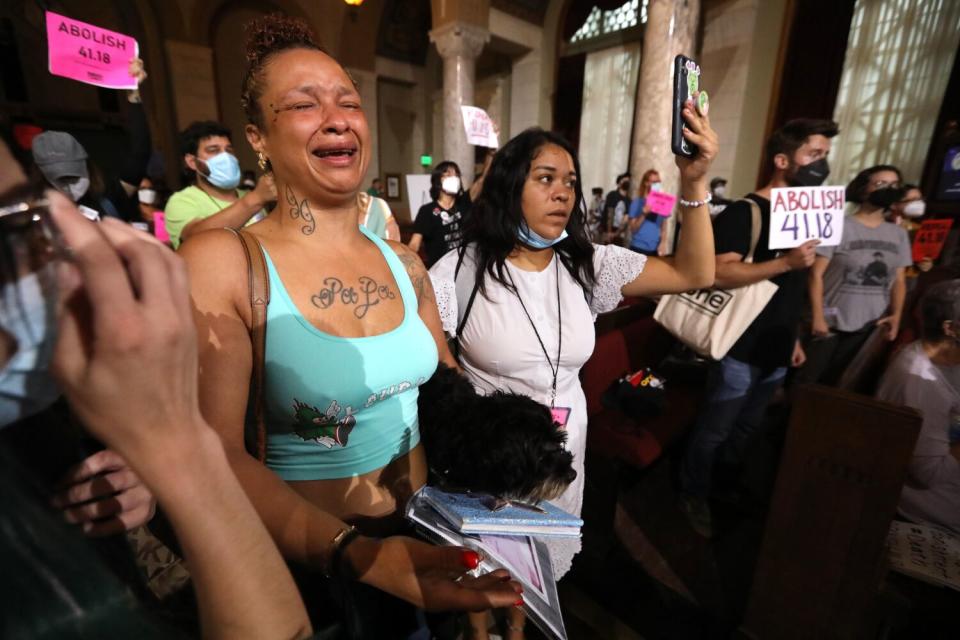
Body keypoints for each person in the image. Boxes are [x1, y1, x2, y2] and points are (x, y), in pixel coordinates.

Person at [180, 14, 521, 637]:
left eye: (349, 102)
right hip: (316, 569)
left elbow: (446, 398)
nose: (337, 118)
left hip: (425, 537)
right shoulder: (223, 261)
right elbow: (213, 455)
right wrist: (360, 556)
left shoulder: (406, 263)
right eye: (304, 105)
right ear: (257, 137)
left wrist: (503, 497)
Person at [0, 139, 311, 638]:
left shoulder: (34, 417)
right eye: (15, 224)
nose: (44, 261)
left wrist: (143, 469)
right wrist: (180, 448)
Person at [431, 101, 717, 576]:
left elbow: (696, 271)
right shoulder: (460, 270)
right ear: (509, 186)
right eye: (545, 178)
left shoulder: (587, 265)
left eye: (569, 182)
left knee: (540, 572)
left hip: (563, 447)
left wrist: (694, 180)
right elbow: (436, 369)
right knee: (483, 576)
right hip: (493, 459)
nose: (562, 193)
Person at [679, 118, 839, 537]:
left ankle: (724, 487)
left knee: (747, 427)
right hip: (739, 344)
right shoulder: (744, 211)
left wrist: (796, 336)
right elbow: (716, 273)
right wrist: (784, 261)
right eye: (814, 155)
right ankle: (693, 492)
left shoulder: (808, 213)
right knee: (715, 430)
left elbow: (797, 285)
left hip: (779, 346)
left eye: (825, 155)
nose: (822, 164)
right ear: (783, 160)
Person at [801, 165, 912, 385]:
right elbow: (815, 274)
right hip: (830, 325)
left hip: (869, 326)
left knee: (846, 386)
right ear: (863, 189)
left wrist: (897, 315)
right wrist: (818, 316)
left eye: (893, 185)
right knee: (808, 384)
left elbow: (899, 281)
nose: (887, 189)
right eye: (880, 183)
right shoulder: (838, 225)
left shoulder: (899, 234)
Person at [876, 279, 960, 534]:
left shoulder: (950, 359)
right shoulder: (919, 382)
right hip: (935, 513)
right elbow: (929, 474)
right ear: (951, 328)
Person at [164, 121, 276, 249]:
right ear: (192, 162)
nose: (225, 156)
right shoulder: (182, 201)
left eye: (229, 150)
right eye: (214, 150)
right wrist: (257, 198)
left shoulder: (248, 195)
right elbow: (194, 239)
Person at [409, 157, 489, 267]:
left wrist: (490, 153)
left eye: (456, 175)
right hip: (440, 269)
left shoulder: (464, 202)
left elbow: (482, 180)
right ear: (437, 181)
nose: (453, 178)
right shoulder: (427, 211)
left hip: (466, 267)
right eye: (448, 175)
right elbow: (414, 244)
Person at [890, 184, 934, 273]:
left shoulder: (920, 229)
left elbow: (925, 257)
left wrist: (926, 264)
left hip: (909, 278)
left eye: (920, 199)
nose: (919, 204)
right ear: (894, 205)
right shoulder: (882, 225)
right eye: (912, 200)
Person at [627, 169, 668, 256]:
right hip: (637, 248)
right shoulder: (637, 202)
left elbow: (664, 228)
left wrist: (663, 243)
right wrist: (644, 213)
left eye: (658, 182)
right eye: (654, 182)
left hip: (654, 250)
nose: (657, 185)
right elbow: (633, 229)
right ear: (646, 183)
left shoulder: (663, 202)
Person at [602, 172, 631, 245]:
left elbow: (626, 218)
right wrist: (609, 232)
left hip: (620, 233)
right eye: (624, 180)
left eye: (628, 180)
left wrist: (616, 233)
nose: (627, 182)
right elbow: (610, 213)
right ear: (619, 183)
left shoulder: (629, 200)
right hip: (608, 231)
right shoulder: (613, 195)